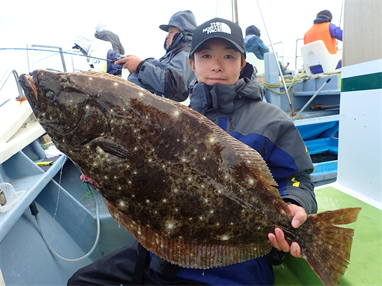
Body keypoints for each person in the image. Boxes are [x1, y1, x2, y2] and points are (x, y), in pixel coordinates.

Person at [67, 18, 317, 286]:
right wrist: (110, 181)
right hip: (160, 254)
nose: (216, 65)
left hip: (232, 265)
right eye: (206, 55)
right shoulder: (174, 115)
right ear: (192, 63)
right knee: (80, 282)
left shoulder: (272, 121)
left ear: (243, 62)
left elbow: (298, 178)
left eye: (228, 56)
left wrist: (295, 203)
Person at [114, 10, 197, 102]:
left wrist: (140, 66)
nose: (167, 36)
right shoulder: (173, 55)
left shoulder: (186, 54)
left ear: (183, 34)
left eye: (171, 32)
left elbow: (173, 83)